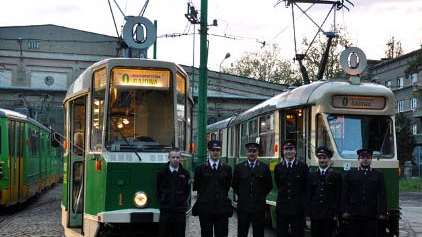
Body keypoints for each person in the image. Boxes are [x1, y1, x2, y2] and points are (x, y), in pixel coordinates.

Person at [341, 148, 387, 237]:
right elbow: (344, 193)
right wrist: (344, 210)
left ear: (371, 159)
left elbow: (382, 194)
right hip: (354, 213)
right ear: (358, 159)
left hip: (371, 213)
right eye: (362, 157)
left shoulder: (378, 175)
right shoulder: (350, 174)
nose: (365, 159)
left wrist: (382, 212)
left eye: (368, 157)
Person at [193, 140, 233, 237]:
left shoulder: (227, 168)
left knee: (222, 233)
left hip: (221, 209)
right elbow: (197, 186)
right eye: (212, 150)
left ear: (220, 152)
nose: (215, 152)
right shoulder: (200, 168)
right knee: (206, 233)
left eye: (217, 150)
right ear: (209, 151)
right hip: (205, 208)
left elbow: (227, 186)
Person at [232, 142, 273, 237]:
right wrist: (243, 196)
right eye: (249, 151)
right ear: (246, 153)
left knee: (258, 232)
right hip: (243, 206)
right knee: (242, 232)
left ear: (257, 152)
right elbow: (234, 184)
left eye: (254, 151)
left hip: (258, 206)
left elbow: (269, 185)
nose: (252, 153)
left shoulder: (264, 167)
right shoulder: (239, 167)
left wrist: (260, 196)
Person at [274, 140, 309, 237]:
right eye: (286, 149)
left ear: (295, 151)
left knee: (298, 233)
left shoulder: (303, 166)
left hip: (297, 208)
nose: (289, 151)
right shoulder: (278, 167)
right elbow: (278, 184)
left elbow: (305, 186)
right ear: (283, 151)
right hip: (282, 208)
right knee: (281, 233)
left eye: (291, 149)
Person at [306, 147, 342, 237]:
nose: (322, 160)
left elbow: (339, 196)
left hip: (329, 215)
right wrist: (308, 216)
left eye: (325, 158)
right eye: (320, 158)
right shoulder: (311, 175)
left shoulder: (336, 176)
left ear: (329, 159)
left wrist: (336, 214)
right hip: (315, 215)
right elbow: (308, 196)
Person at [156, 148, 191, 237]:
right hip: (166, 210)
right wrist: (164, 202)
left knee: (179, 234)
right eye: (173, 157)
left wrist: (181, 201)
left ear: (180, 158)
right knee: (164, 233)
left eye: (177, 157)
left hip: (179, 211)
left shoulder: (185, 174)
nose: (175, 160)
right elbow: (158, 190)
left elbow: (187, 191)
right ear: (169, 158)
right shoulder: (162, 173)